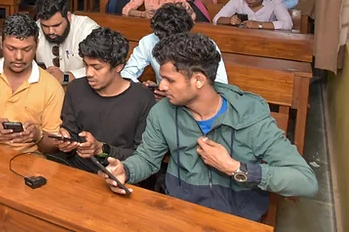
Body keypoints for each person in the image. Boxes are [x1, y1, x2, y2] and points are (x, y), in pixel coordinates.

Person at [102, 32, 318, 222]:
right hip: (181, 212)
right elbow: (148, 159)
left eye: (169, 80)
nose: (162, 86)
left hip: (238, 217)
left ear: (198, 80)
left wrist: (235, 168)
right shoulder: (162, 112)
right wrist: (126, 170)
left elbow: (305, 181)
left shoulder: (249, 115)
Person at [55, 28, 156, 173]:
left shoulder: (142, 99)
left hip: (118, 173)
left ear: (119, 67)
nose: (89, 73)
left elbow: (142, 156)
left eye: (97, 67)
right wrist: (66, 142)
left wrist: (101, 149)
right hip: (75, 170)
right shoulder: (76, 88)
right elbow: (70, 132)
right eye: (86, 65)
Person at [0, 14, 65, 153]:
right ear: (1, 43)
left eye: (26, 49)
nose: (18, 57)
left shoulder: (52, 87)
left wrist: (37, 135)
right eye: (11, 49)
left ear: (37, 45)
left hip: (28, 159)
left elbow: (53, 146)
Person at [122, 3, 228, 88]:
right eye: (162, 38)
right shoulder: (149, 41)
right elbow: (127, 73)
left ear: (187, 32)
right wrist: (144, 88)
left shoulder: (205, 45)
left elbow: (221, 84)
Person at [35, 0, 99, 82]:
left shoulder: (88, 30)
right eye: (45, 26)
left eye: (56, 25)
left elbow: (100, 67)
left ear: (68, 17)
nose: (51, 31)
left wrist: (66, 77)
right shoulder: (35, 30)